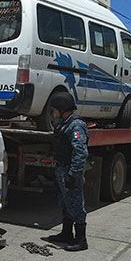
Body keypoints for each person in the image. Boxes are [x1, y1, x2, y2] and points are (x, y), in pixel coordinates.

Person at [42, 92, 89, 252]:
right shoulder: (64, 124)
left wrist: (73, 174)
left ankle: (81, 240)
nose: (53, 113)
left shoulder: (76, 125)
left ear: (62, 109)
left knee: (76, 205)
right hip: (62, 169)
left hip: (70, 172)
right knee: (65, 203)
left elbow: (80, 152)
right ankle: (66, 233)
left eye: (55, 110)